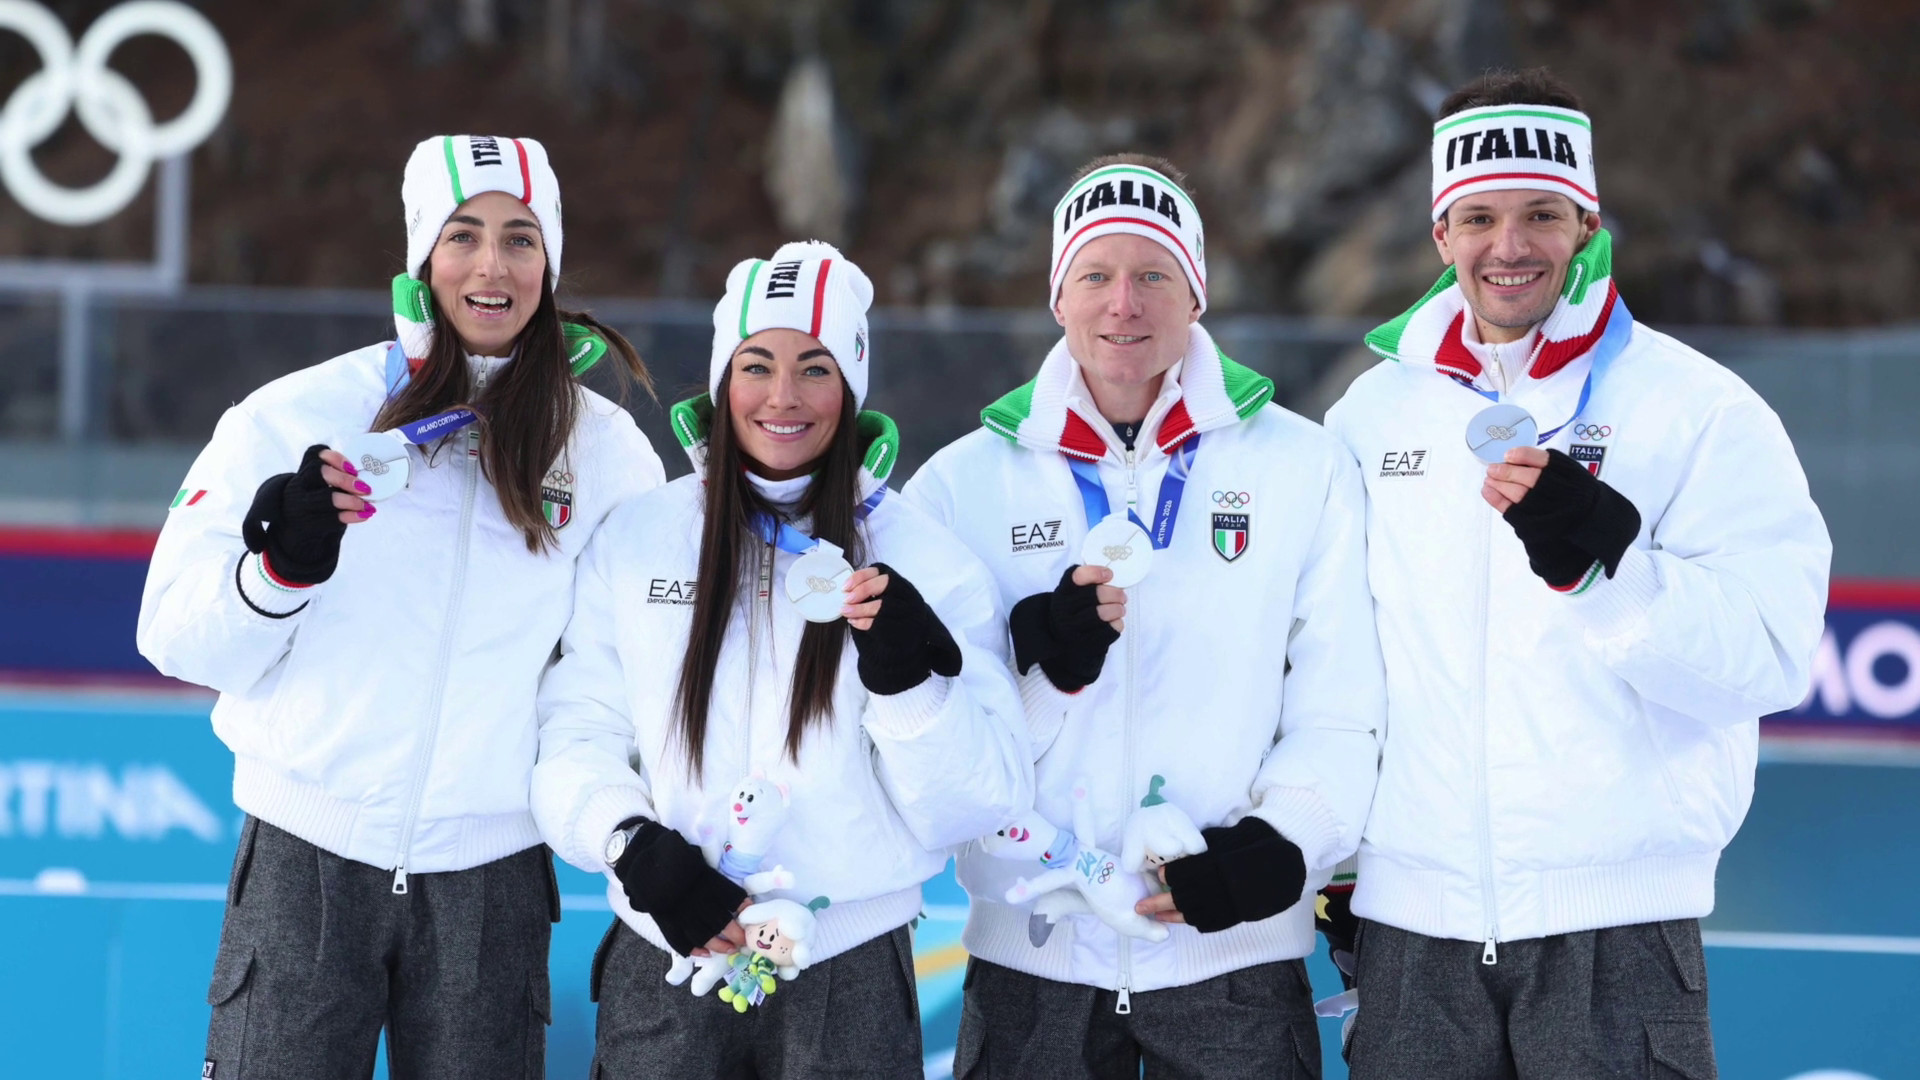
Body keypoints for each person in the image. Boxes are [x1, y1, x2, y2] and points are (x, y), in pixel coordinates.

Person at [1322, 68, 1832, 1078]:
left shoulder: (1701, 409)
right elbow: (1334, 662)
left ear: (1588, 222)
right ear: (1441, 236)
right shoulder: (1369, 417)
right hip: (1412, 934)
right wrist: (1337, 863)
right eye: (1479, 217)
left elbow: (1771, 658)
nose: (1508, 246)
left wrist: (1610, 569)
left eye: (1541, 215)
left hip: (1618, 929)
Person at [137, 134, 662, 1078]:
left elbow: (622, 680)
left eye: (521, 238)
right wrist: (279, 575)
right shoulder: (298, 414)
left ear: (552, 260)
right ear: (423, 254)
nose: (492, 267)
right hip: (307, 860)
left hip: (492, 884)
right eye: (463, 236)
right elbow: (172, 634)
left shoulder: (610, 454)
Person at [905, 154, 1386, 1078]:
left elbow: (1342, 705)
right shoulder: (959, 485)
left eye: (1153, 275)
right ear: (1059, 296)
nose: (1123, 303)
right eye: (1096, 275)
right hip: (1031, 965)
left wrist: (1280, 847)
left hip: (1233, 962)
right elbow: (926, 727)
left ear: (1195, 294)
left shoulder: (1302, 467)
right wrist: (1029, 660)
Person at [530, 240, 1033, 1078]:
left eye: (816, 367)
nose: (783, 397)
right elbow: (573, 731)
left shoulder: (925, 559)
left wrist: (909, 689)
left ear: (853, 386)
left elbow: (974, 808)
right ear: (725, 381)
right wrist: (628, 844)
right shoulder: (640, 537)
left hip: (850, 978)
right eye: (756, 365)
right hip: (671, 962)